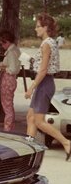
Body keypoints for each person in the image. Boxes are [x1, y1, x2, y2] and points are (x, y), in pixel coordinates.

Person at [24, 13, 71, 161]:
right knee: (30, 117)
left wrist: (32, 87)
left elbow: (43, 70)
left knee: (39, 121)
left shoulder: (46, 44)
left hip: (44, 83)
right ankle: (28, 148)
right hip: (45, 83)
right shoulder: (51, 42)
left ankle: (66, 142)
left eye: (38, 26)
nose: (35, 29)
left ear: (45, 28)